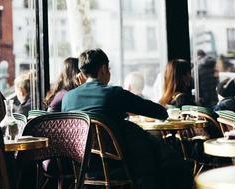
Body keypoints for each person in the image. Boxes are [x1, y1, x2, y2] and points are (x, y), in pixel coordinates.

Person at [62, 49, 192, 189]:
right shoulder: (114, 93)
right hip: (119, 163)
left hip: (83, 166)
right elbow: (159, 112)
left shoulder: (68, 98)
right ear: (104, 69)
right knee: (166, 158)